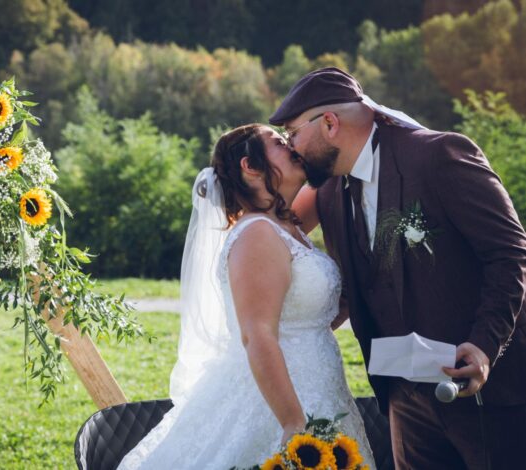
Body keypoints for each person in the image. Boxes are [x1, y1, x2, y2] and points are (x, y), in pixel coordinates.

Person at [272, 67, 526, 469]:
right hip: (404, 402)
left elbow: (511, 253)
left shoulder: (438, 156)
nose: (292, 147)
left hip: (485, 392)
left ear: (330, 124)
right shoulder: (330, 193)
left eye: (293, 134)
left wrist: (484, 345)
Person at [117, 124, 376, 469]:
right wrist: (292, 422)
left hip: (320, 384)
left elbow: (333, 164)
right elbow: (257, 334)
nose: (294, 147)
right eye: (281, 143)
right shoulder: (257, 235)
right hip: (279, 402)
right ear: (250, 167)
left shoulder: (288, 224)